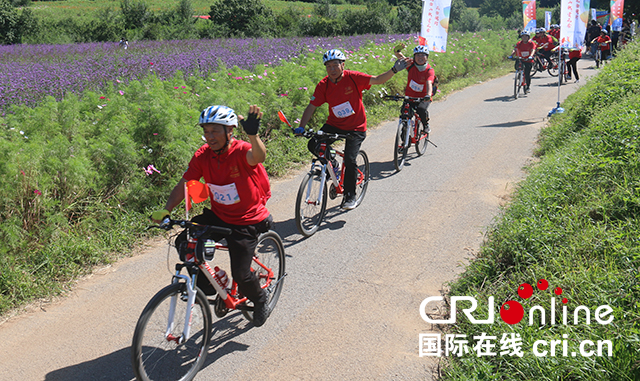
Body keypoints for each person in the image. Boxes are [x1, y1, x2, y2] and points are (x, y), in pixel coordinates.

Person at [152, 104, 274, 327]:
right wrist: (167, 209)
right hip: (219, 215)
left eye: (215, 131)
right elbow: (185, 184)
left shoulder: (240, 150)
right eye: (206, 131)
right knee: (186, 245)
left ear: (229, 131)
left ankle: (260, 298)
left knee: (243, 275)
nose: (210, 137)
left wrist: (253, 135)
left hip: (247, 220)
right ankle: (216, 284)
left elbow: (258, 156)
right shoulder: (203, 155)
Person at [294, 48, 408, 210]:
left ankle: (350, 196)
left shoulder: (353, 78)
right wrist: (301, 127)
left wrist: (394, 69)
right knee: (313, 144)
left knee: (350, 159)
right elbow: (311, 106)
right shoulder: (324, 85)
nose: (332, 69)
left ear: (343, 65)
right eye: (329, 67)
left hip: (356, 127)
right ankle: (333, 164)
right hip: (334, 124)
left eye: (335, 65)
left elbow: (377, 80)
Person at [401, 45, 436, 131]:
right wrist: (397, 51)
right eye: (417, 55)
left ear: (427, 57)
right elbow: (401, 58)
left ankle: (425, 124)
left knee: (421, 109)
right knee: (404, 113)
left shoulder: (429, 70)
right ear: (414, 57)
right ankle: (404, 138)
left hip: (424, 97)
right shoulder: (411, 65)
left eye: (422, 55)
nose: (420, 57)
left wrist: (428, 95)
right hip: (410, 96)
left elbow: (429, 83)